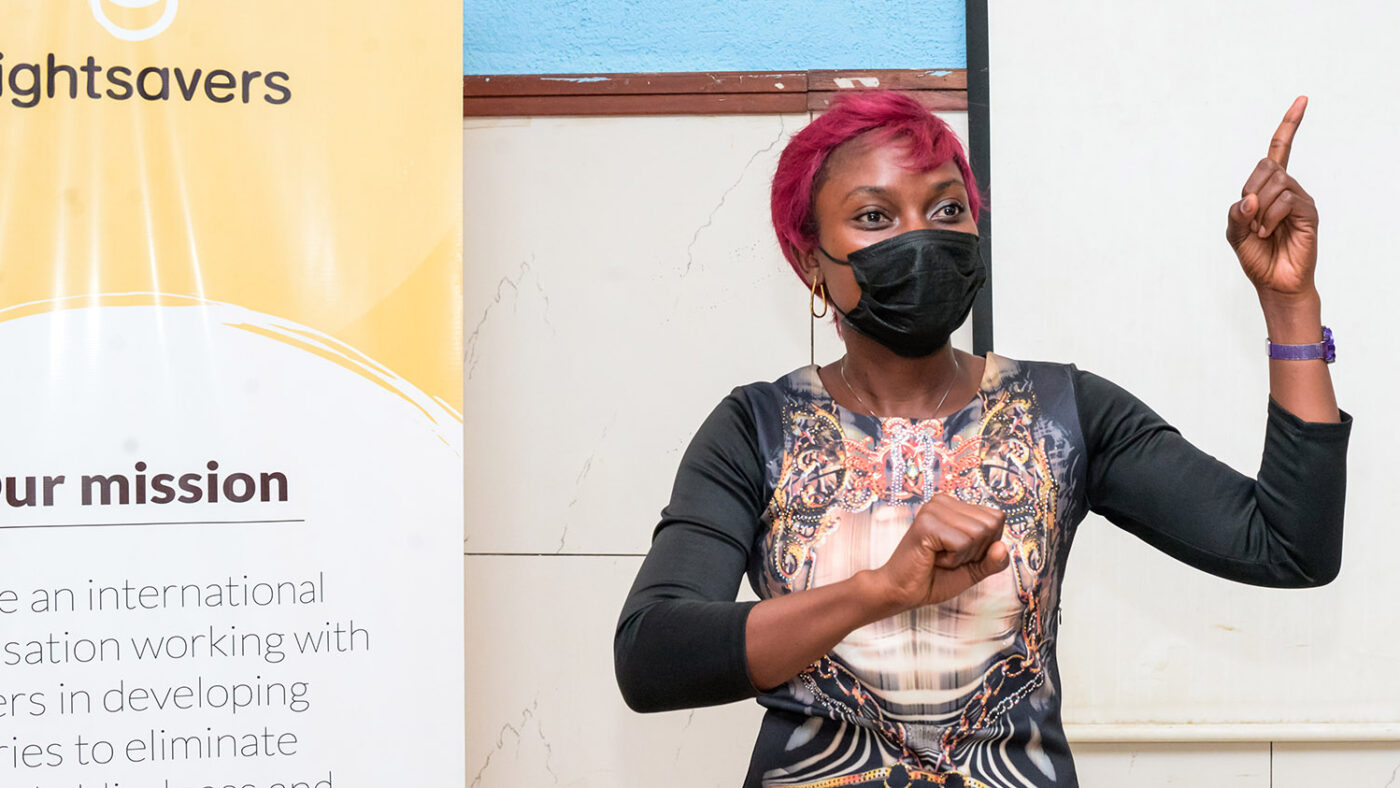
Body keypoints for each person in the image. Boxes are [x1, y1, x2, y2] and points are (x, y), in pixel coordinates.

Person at [613, 90, 1350, 788]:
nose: (920, 235)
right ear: (811, 260)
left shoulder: (1062, 413)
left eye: (946, 208)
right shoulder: (756, 429)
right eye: (874, 216)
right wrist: (878, 591)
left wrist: (1290, 305)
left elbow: (1290, 546)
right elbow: (650, 656)